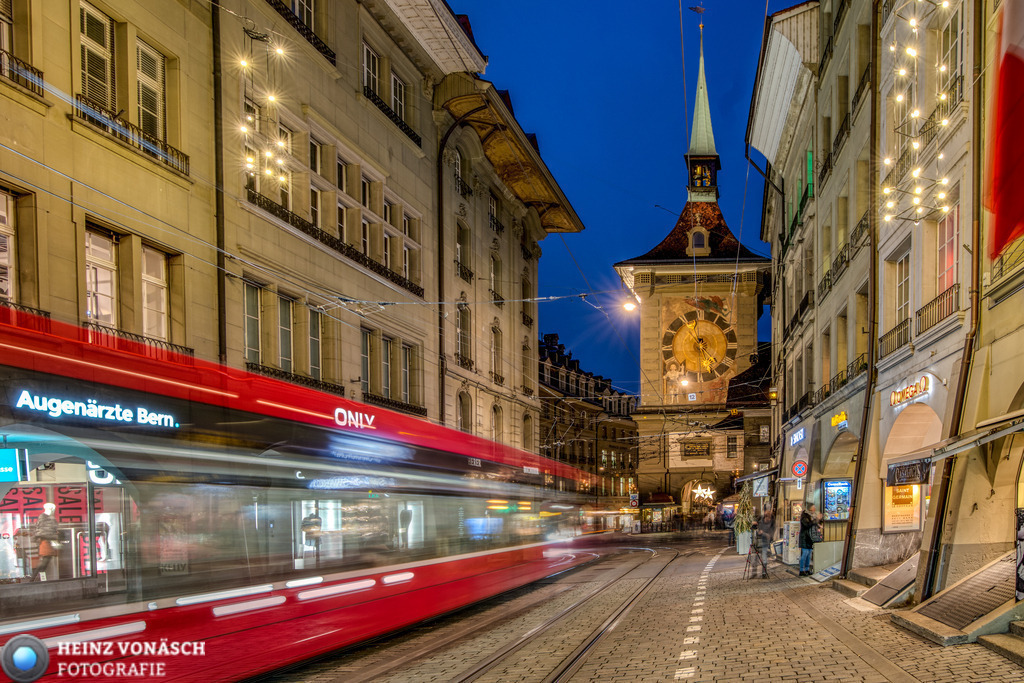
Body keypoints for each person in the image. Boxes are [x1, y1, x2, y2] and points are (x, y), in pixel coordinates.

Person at [31, 503, 60, 582]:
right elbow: (43, 531)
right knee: (45, 561)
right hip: (46, 541)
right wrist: (54, 537)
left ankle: (39, 578)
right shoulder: (44, 517)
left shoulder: (47, 517)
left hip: (49, 541)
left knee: (45, 561)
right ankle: (34, 579)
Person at [798, 507, 817, 576]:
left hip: (809, 538)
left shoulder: (809, 517)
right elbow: (807, 525)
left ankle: (807, 569)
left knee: (809, 554)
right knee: (805, 554)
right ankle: (801, 570)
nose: (813, 510)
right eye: (812, 509)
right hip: (805, 538)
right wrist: (814, 521)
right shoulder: (804, 518)